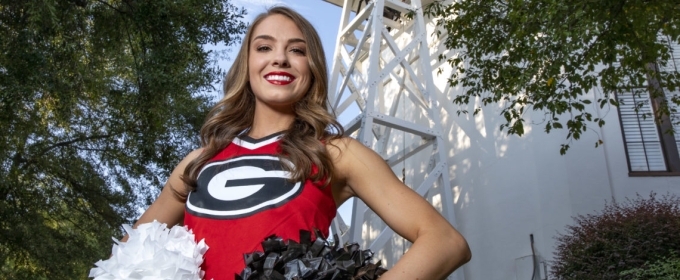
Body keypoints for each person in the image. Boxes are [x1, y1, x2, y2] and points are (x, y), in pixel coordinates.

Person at [128, 6, 470, 280]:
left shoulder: (337, 153)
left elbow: (445, 242)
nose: (280, 59)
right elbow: (129, 253)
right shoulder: (198, 162)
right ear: (247, 64)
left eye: (297, 50)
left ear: (312, 68)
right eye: (264, 47)